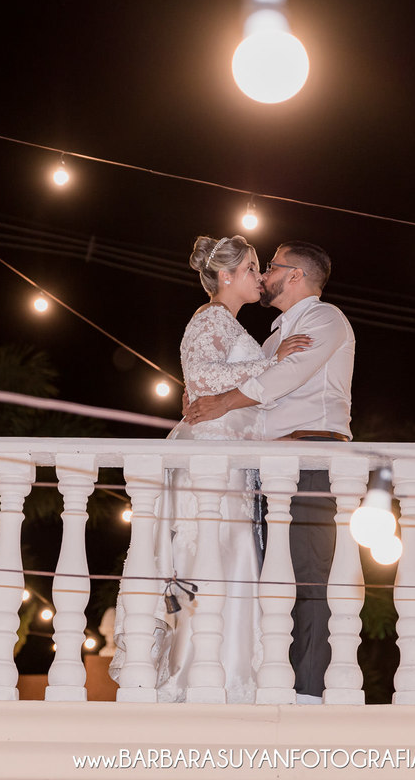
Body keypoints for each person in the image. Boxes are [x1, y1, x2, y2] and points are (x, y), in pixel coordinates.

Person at [111, 235, 310, 703]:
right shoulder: (210, 317)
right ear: (226, 276)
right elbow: (201, 377)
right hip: (211, 458)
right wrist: (271, 362)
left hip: (233, 459)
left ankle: (229, 671)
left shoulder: (229, 323)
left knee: (231, 557)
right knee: (207, 555)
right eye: (252, 268)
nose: (259, 276)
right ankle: (189, 674)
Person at [184, 241, 355, 704]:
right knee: (275, 573)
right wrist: (204, 400)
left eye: (271, 267)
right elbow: (250, 385)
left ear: (295, 275)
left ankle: (309, 691)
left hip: (312, 454)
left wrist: (222, 402)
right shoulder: (273, 337)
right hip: (269, 466)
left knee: (311, 569)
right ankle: (275, 678)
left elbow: (284, 377)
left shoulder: (324, 319)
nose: (263, 276)